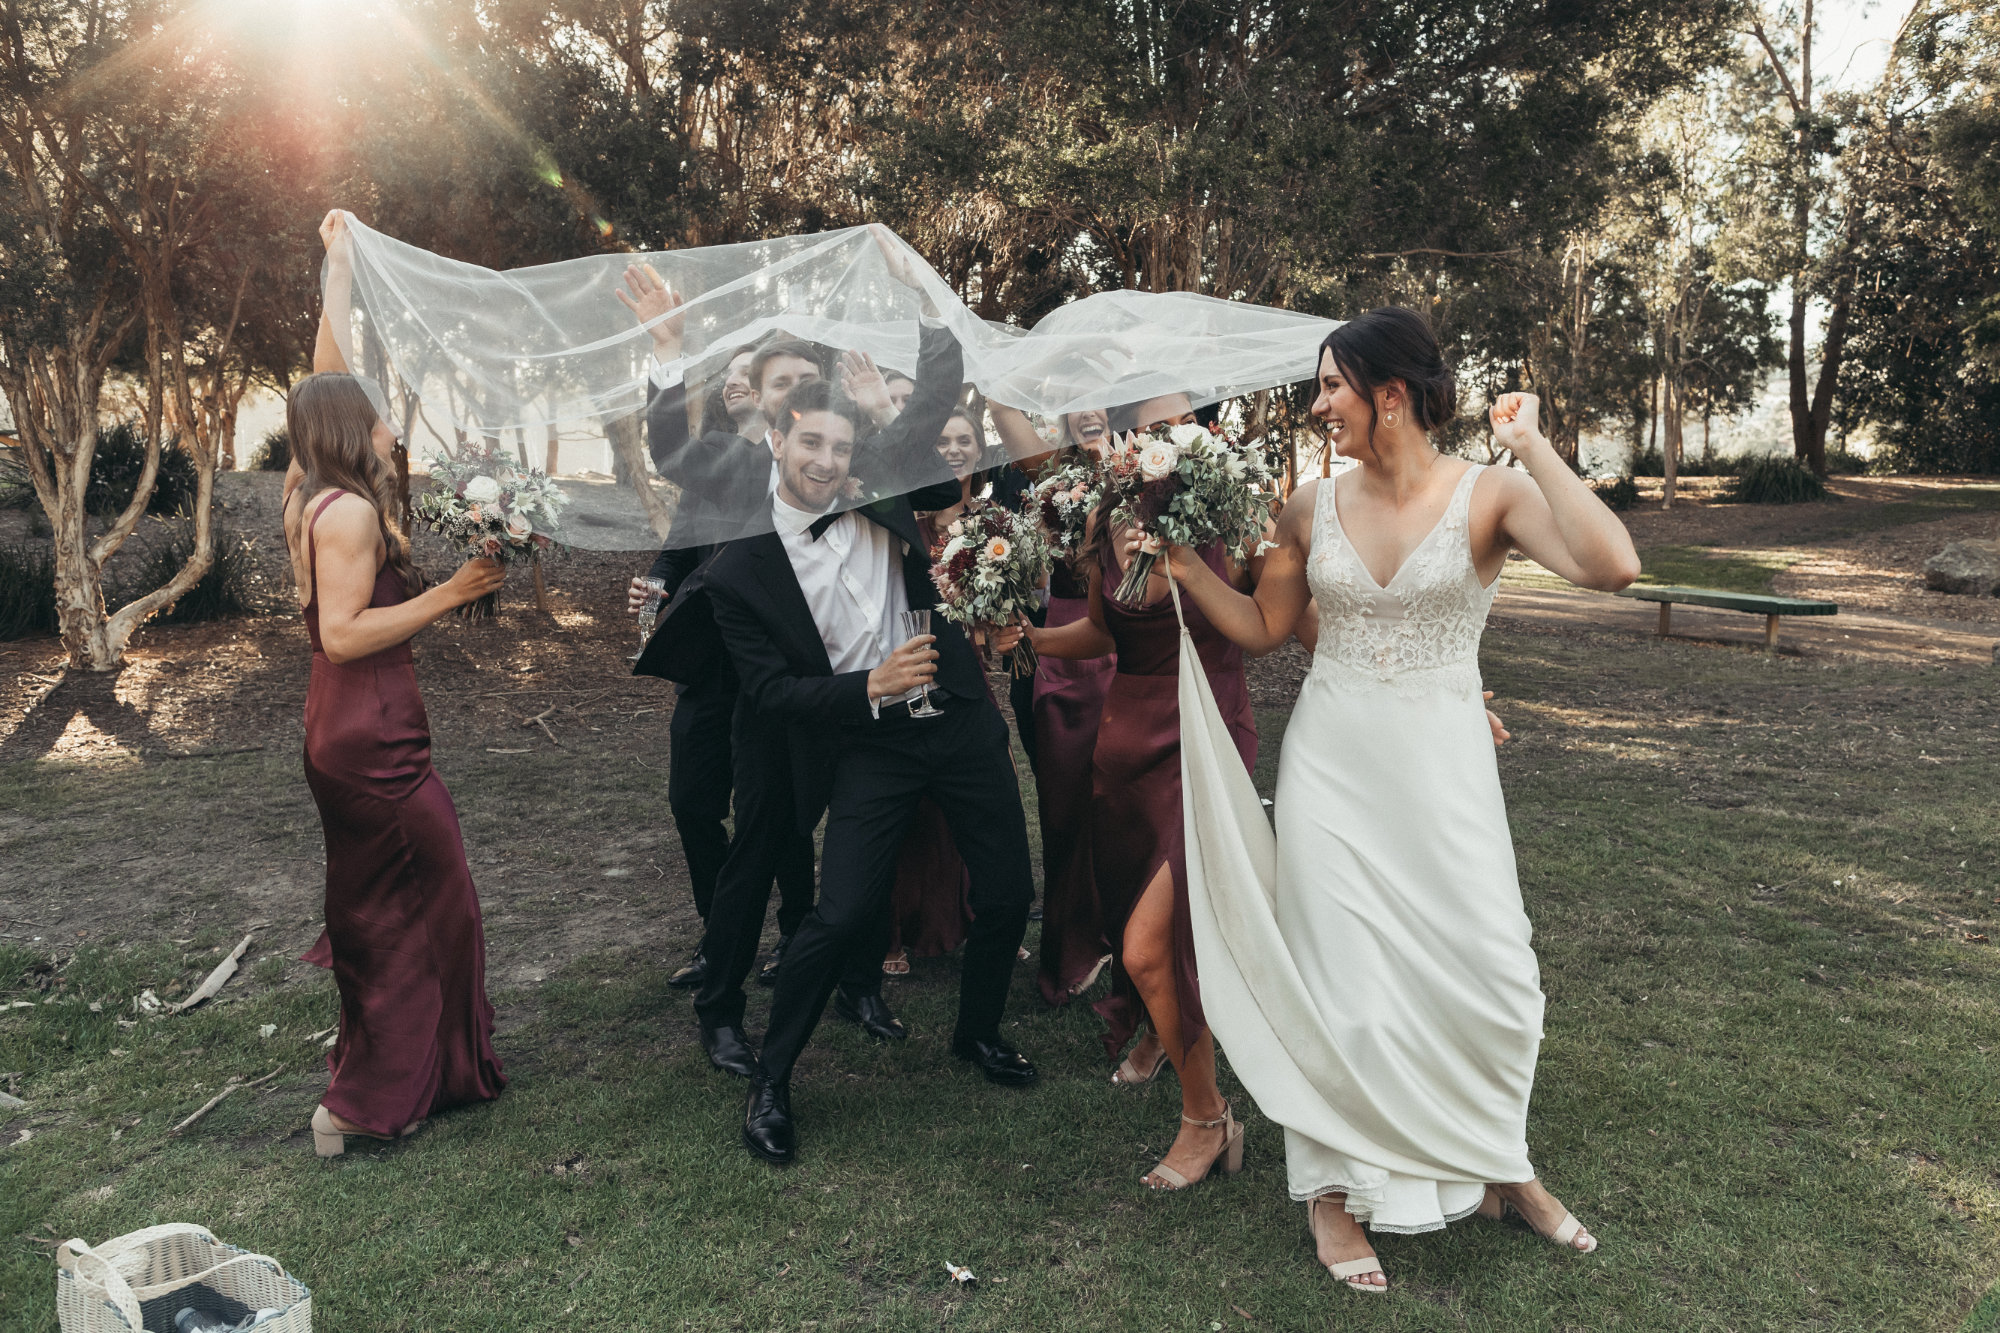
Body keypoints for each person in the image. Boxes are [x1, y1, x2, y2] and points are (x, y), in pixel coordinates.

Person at [1163, 307, 1640, 1294]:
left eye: (1330, 384)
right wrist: (1178, 571)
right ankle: (1332, 1195)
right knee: (1348, 990)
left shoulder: (1490, 494)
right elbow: (1263, 625)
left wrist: (1531, 443)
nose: (1316, 403)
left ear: (1388, 393)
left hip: (1440, 764)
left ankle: (1502, 1166)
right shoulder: (1305, 506)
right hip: (1331, 764)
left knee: (1496, 979)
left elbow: (1611, 565)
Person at [704, 237, 1040, 1165]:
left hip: (962, 718)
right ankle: (772, 1081)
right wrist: (868, 689)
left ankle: (974, 1030)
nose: (827, 461)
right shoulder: (740, 571)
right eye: (809, 443)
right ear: (777, 442)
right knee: (842, 914)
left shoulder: (882, 494)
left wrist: (923, 293)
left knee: (1008, 891)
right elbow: (771, 694)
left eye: (841, 446)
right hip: (873, 741)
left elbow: (935, 390)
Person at [1026, 389, 1262, 1194]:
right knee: (1150, 948)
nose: (1157, 438)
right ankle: (1193, 1087)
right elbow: (1103, 629)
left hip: (1197, 741)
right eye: (1145, 428)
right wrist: (1029, 638)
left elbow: (1261, 623)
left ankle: (1205, 1118)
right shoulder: (1107, 515)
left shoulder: (1213, 509)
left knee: (1148, 947)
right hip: (1120, 754)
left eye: (1174, 424)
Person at [990, 404, 1122, 1005]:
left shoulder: (1153, 470)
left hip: (1139, 654)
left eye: (1100, 395)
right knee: (1067, 802)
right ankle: (1077, 942)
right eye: (1076, 395)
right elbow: (1003, 410)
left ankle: (1133, 932)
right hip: (1067, 655)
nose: (1088, 408)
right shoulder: (1053, 478)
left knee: (1132, 808)